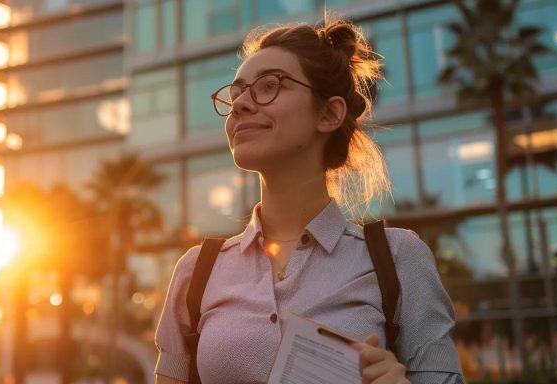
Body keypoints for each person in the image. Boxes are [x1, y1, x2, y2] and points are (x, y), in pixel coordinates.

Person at [153, 15, 465, 384]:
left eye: (268, 86)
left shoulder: (398, 259)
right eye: (236, 93)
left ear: (329, 113)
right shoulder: (197, 271)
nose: (240, 105)